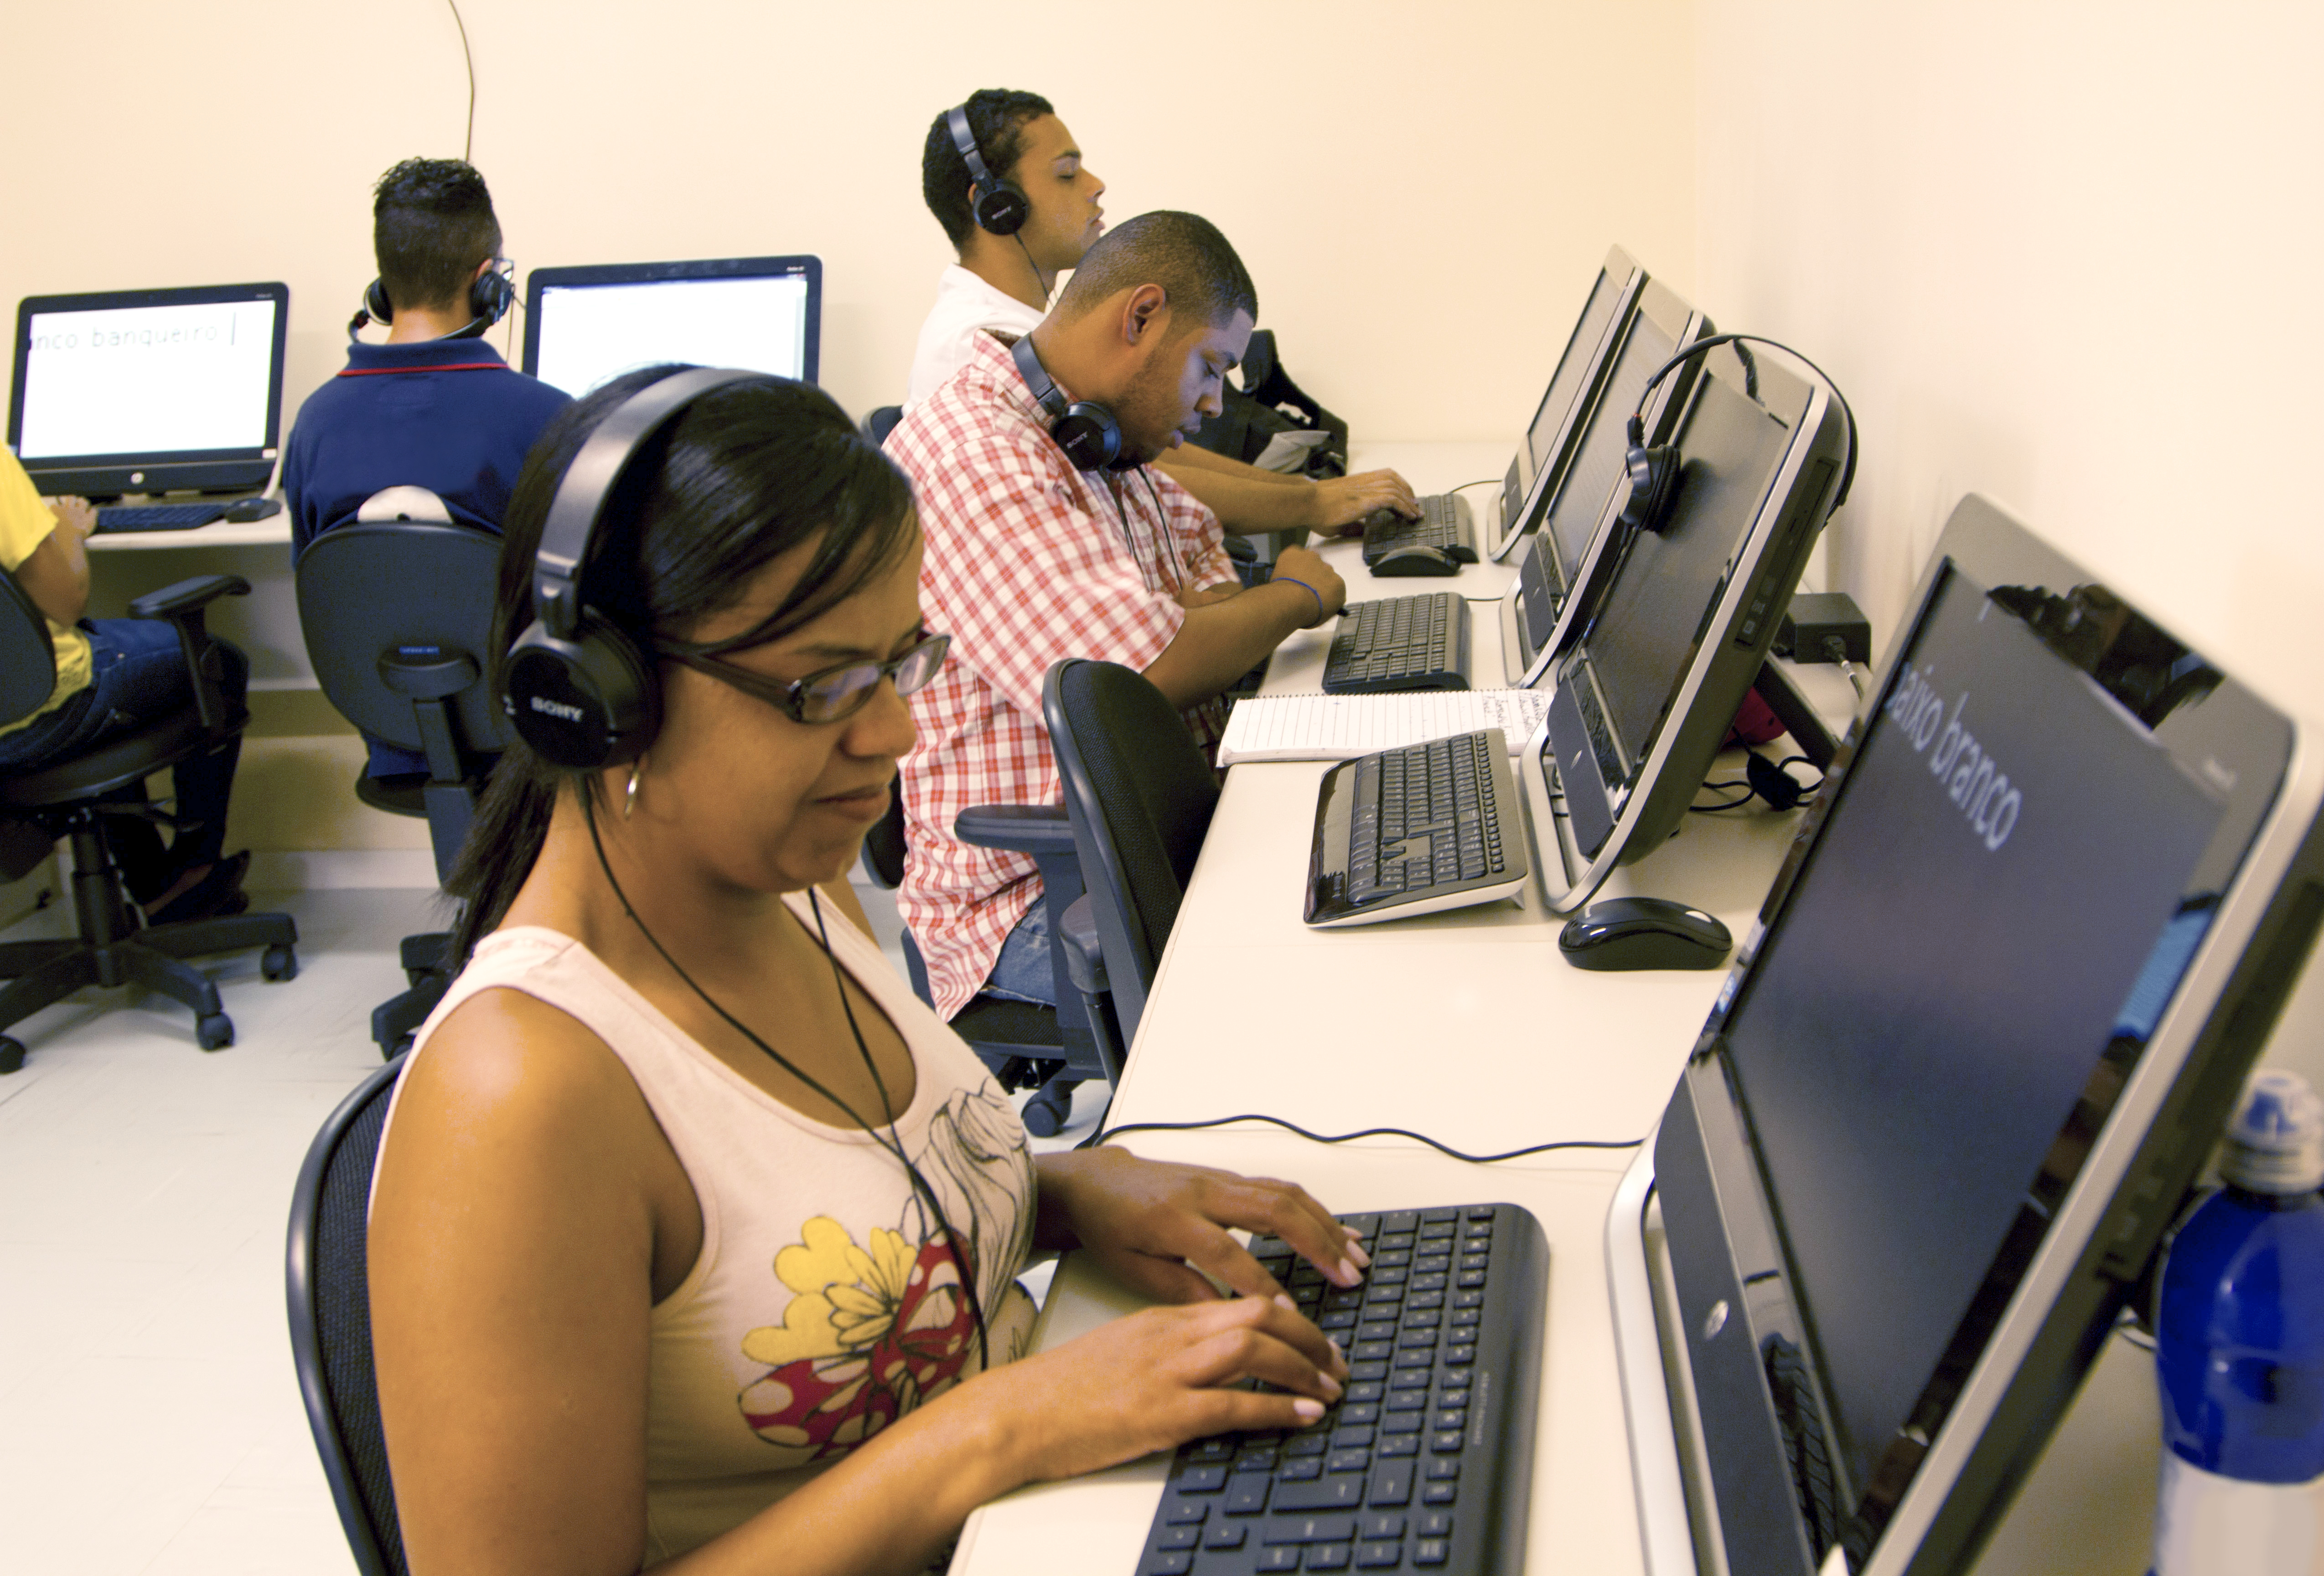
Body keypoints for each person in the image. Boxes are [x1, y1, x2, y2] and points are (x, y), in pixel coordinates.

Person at [369, 366, 1366, 1574]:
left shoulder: (789, 883)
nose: (893, 732)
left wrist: (1064, 1194)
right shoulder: (520, 1093)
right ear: (600, 698)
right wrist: (1006, 1426)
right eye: (827, 687)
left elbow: (804, 1228)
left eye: (901, 663)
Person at [887, 210, 1346, 1019]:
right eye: (1209, 367)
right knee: (1307, 974)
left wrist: (1200, 621)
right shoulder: (976, 453)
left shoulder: (1094, 439)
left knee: (1355, 854)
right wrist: (1298, 596)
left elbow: (1206, 583)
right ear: (1139, 317)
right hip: (1037, 897)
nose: (1211, 405)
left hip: (1153, 823)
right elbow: (1144, 671)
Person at [911, 90, 1418, 534]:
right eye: (1066, 174)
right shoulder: (977, 346)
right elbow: (1146, 480)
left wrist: (1317, 496)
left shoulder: (1032, 326)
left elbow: (1157, 462)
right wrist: (1312, 503)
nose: (1095, 184)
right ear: (997, 207)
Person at [280, 157, 571, 775]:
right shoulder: (544, 417)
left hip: (391, 724)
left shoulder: (315, 423)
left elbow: (321, 578)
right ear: (489, 282)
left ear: (383, 290)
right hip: (532, 730)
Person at [0, 451, 250, 921]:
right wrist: (69, 531)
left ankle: (155, 882)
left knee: (115, 676)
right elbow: (64, 599)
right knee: (218, 665)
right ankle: (191, 871)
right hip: (46, 711)